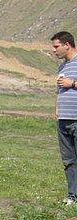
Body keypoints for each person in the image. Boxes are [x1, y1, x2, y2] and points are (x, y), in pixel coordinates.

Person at [51, 31, 77, 205]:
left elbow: (68, 85)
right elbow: (59, 90)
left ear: (67, 45)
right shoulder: (62, 67)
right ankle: (72, 196)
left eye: (56, 46)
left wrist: (73, 83)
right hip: (63, 120)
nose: (54, 51)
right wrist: (58, 108)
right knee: (68, 160)